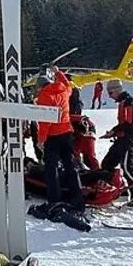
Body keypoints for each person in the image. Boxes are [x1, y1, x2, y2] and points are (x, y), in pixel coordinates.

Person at [32, 65, 84, 212]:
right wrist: (58, 72)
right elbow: (69, 85)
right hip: (67, 133)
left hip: (53, 137)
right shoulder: (63, 89)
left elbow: (45, 121)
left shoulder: (44, 96)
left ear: (39, 87)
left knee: (51, 168)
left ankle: (54, 199)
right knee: (70, 166)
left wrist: (41, 140)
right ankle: (78, 199)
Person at [100, 78, 133, 206]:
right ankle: (121, 191)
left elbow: (128, 124)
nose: (110, 96)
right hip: (121, 138)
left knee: (127, 168)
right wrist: (114, 132)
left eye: (111, 92)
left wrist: (113, 131)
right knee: (107, 163)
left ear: (118, 90)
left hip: (127, 140)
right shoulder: (122, 102)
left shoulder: (129, 103)